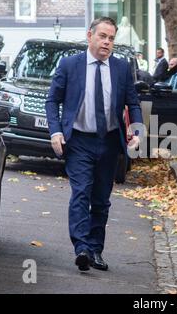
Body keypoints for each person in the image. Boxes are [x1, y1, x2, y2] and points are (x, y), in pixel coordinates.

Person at [45, 17, 143, 272]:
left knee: (101, 200)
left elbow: (132, 102)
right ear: (90, 36)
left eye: (111, 38)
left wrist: (137, 129)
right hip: (79, 141)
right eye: (102, 36)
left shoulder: (121, 69)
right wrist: (55, 131)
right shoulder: (70, 65)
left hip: (109, 141)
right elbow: (52, 101)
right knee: (81, 193)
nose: (107, 42)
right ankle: (82, 249)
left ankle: (96, 249)